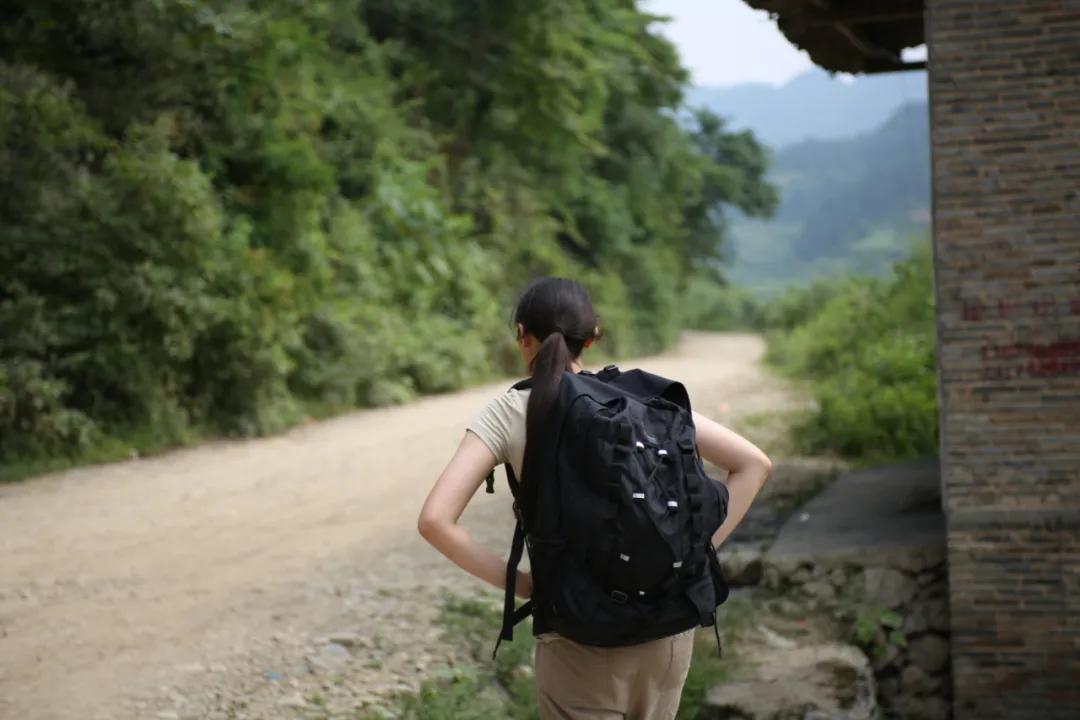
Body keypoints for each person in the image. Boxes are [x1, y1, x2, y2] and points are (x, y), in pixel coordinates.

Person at [418, 277, 773, 720]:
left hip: (578, 638)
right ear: (593, 336)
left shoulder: (513, 410)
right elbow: (754, 464)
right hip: (668, 631)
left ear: (521, 336)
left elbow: (435, 520)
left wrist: (529, 585)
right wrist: (686, 555)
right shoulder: (638, 396)